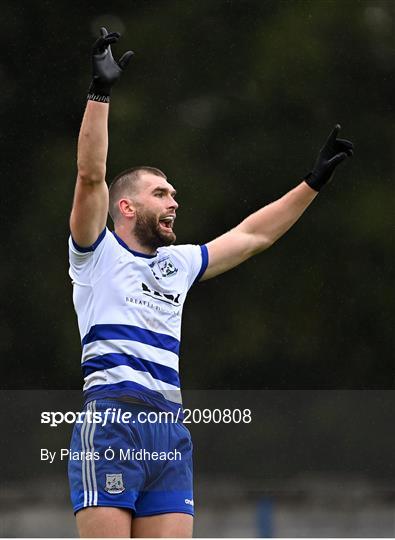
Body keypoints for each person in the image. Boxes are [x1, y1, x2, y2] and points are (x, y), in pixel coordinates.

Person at [67, 28, 354, 538]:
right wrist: (100, 94)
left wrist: (311, 185)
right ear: (127, 206)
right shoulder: (96, 253)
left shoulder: (177, 263)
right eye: (161, 192)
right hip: (111, 423)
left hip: (168, 431)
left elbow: (251, 236)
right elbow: (91, 177)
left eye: (174, 193)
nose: (174, 201)